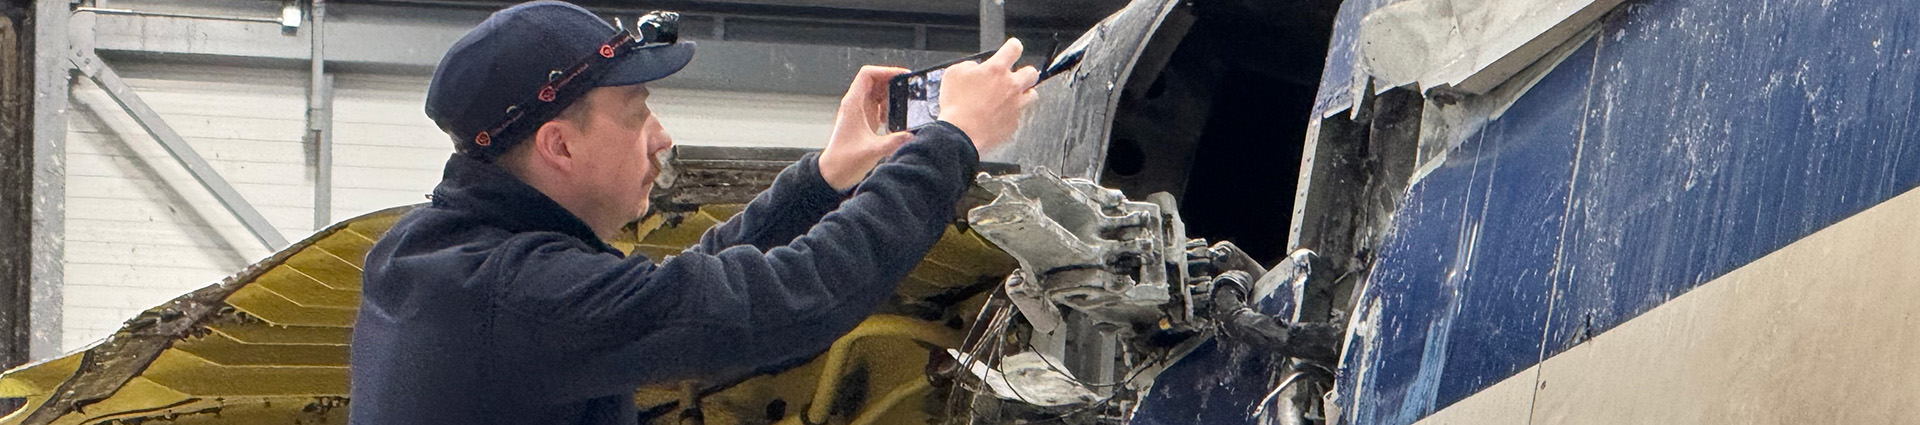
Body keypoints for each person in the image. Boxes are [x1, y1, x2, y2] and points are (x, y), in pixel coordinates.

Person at [347, 1, 1038, 424]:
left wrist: (826, 178)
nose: (661, 137)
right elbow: (783, 302)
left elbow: (678, 295)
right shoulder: (521, 292)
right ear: (560, 145)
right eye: (637, 112)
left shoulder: (431, 255)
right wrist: (952, 140)